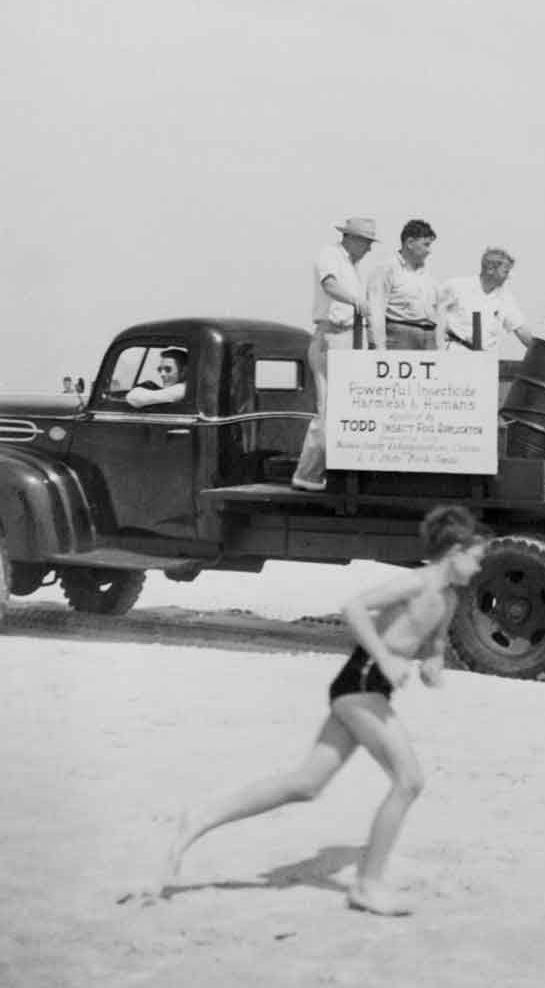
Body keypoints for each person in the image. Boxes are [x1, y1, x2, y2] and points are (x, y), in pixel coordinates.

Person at [161, 505, 492, 916]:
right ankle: (368, 885)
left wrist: (433, 663)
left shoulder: (449, 598)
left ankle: (201, 816)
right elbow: (353, 607)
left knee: (305, 784)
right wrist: (385, 657)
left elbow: (434, 641)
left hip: (371, 691)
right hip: (361, 684)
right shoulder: (415, 582)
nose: (478, 568)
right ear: (455, 550)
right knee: (409, 780)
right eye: (477, 558)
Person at [291, 217, 377, 492]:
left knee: (348, 409)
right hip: (332, 335)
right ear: (351, 238)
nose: (369, 249)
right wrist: (356, 301)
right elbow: (329, 285)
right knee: (328, 410)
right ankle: (307, 473)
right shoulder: (330, 254)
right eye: (366, 242)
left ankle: (330, 471)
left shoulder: (354, 267)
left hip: (350, 335)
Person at [437, 246, 534, 354]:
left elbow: (520, 329)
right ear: (490, 269)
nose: (509, 277)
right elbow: (431, 310)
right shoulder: (456, 286)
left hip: (486, 359)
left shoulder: (506, 298)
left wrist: (543, 353)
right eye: (505, 272)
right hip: (456, 353)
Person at [368, 219, 439, 351]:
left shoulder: (428, 275)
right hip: (400, 337)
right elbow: (376, 309)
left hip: (429, 337)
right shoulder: (387, 269)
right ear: (410, 243)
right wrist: (378, 347)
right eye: (426, 245)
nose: (429, 251)